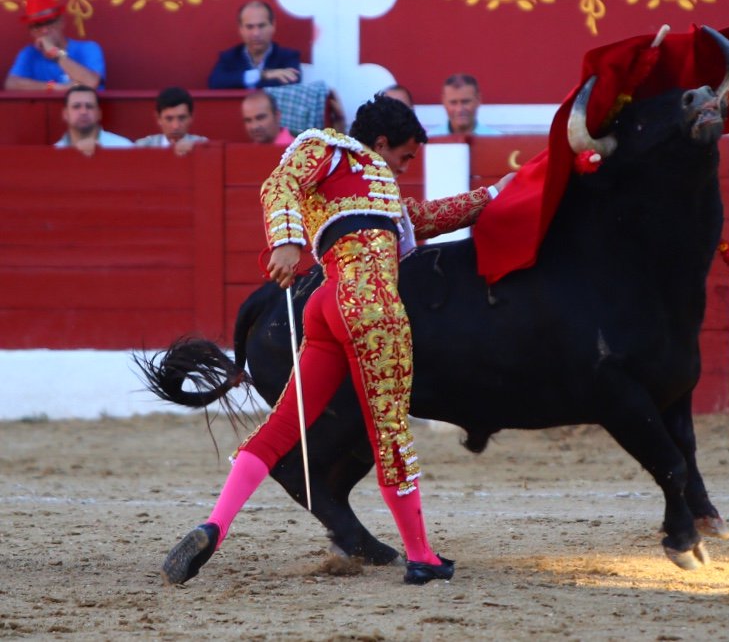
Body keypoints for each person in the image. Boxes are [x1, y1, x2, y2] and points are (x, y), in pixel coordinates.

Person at [161, 93, 512, 587]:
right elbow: (278, 182)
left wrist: (492, 195)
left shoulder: (364, 181)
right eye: (405, 156)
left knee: (282, 426)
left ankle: (214, 526)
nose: (405, 166)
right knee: (389, 434)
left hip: (325, 305)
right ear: (382, 143)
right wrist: (286, 242)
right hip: (371, 307)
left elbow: (422, 218)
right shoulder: (328, 147)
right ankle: (421, 557)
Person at [5, 0, 105, 92]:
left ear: (61, 22)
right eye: (38, 25)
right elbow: (11, 84)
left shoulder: (88, 48)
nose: (45, 30)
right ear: (31, 31)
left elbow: (91, 82)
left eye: (49, 22)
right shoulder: (30, 53)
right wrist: (54, 87)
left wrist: (55, 53)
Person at [208, 1, 302, 90]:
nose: (256, 33)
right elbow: (215, 82)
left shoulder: (288, 57)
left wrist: (242, 80)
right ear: (240, 29)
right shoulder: (229, 57)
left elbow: (292, 81)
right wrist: (263, 75)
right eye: (249, 27)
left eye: (262, 26)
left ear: (273, 26)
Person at [54, 85, 132, 155]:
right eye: (76, 106)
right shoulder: (55, 154)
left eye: (89, 106)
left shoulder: (124, 147)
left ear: (99, 113)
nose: (83, 112)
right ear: (65, 114)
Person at [134, 87, 208, 155]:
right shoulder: (142, 146)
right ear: (158, 118)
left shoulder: (202, 145)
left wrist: (196, 149)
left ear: (191, 117)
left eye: (182, 118)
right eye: (169, 119)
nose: (176, 126)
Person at [427, 73, 502, 136]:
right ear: (444, 102)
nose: (459, 109)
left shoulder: (497, 141)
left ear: (478, 100)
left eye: (465, 102)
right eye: (453, 102)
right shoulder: (429, 141)